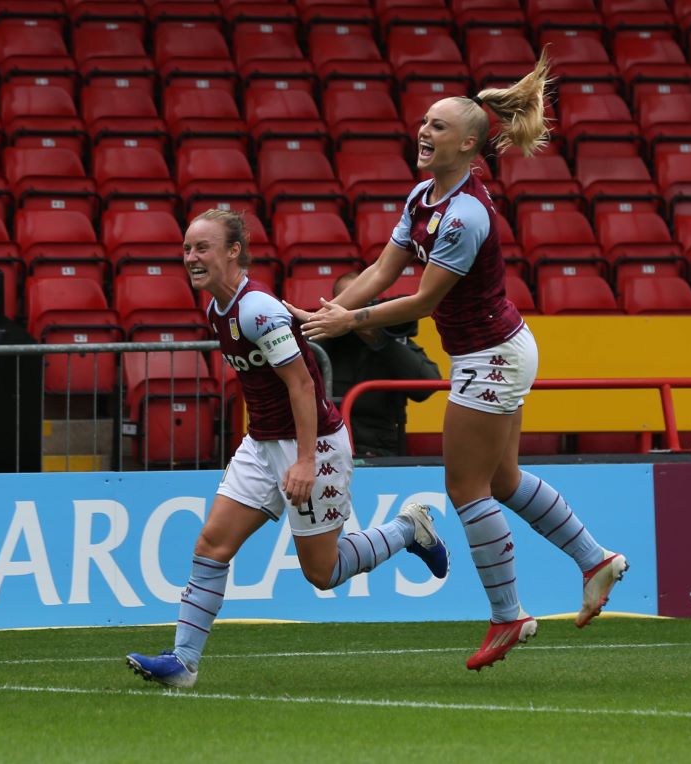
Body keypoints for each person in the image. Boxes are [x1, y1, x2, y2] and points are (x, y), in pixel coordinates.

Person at [292, 52, 628, 671]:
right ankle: (595, 560)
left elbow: (422, 299)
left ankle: (508, 616)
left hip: (491, 354)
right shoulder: (424, 195)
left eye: (439, 126)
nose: (424, 131)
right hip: (495, 350)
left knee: (465, 487)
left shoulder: (466, 214)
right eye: (423, 122)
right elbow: (382, 270)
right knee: (500, 481)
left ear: (471, 143)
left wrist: (350, 321)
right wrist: (327, 312)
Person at [126, 209, 449, 688]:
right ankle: (183, 663)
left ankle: (409, 529)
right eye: (188, 249)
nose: (192, 258)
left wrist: (304, 461)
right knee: (212, 545)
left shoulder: (257, 310)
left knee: (323, 571)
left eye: (203, 248)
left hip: (313, 442)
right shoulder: (218, 306)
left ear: (234, 251)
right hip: (261, 443)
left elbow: (301, 385)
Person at [320, 271, 442, 457]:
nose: (358, 311)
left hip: (379, 448)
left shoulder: (389, 338)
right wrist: (332, 327)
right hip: (326, 445)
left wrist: (380, 341)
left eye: (365, 302)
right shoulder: (323, 340)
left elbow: (426, 386)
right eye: (351, 303)